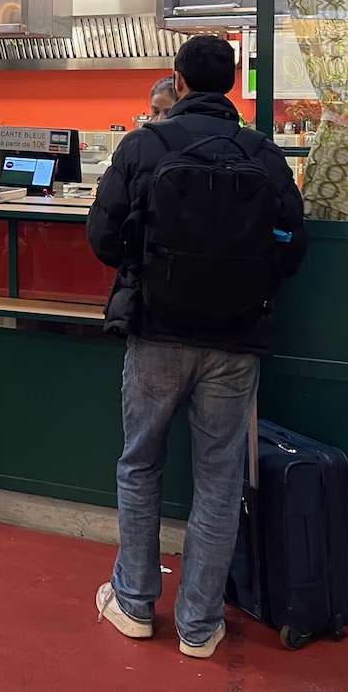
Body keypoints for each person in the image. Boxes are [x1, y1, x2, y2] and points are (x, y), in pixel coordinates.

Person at [86, 35, 307, 659]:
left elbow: (102, 236)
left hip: (156, 329)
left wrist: (147, 264)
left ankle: (132, 603)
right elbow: (292, 248)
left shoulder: (144, 145)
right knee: (218, 478)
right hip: (237, 340)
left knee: (140, 463)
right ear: (232, 86)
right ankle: (200, 625)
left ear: (177, 82)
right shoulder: (263, 155)